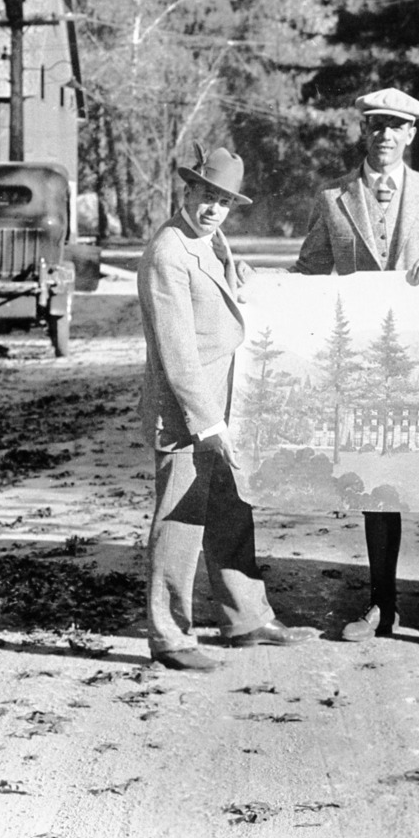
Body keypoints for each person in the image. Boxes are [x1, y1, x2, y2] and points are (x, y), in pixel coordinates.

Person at [293, 89, 419, 653]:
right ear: (363, 130)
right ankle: (382, 605)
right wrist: (258, 288)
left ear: (411, 136)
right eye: (375, 125)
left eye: (395, 127)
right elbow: (310, 271)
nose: (384, 135)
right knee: (379, 485)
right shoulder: (333, 198)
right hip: (365, 371)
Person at [138, 145, 317, 672]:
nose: (214, 209)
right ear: (186, 192)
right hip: (187, 411)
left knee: (231, 508)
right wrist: (208, 423)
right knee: (180, 520)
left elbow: (220, 294)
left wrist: (245, 278)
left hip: (224, 401)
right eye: (206, 197)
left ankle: (246, 618)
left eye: (224, 201)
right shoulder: (168, 252)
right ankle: (169, 636)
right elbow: (176, 352)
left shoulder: (209, 239)